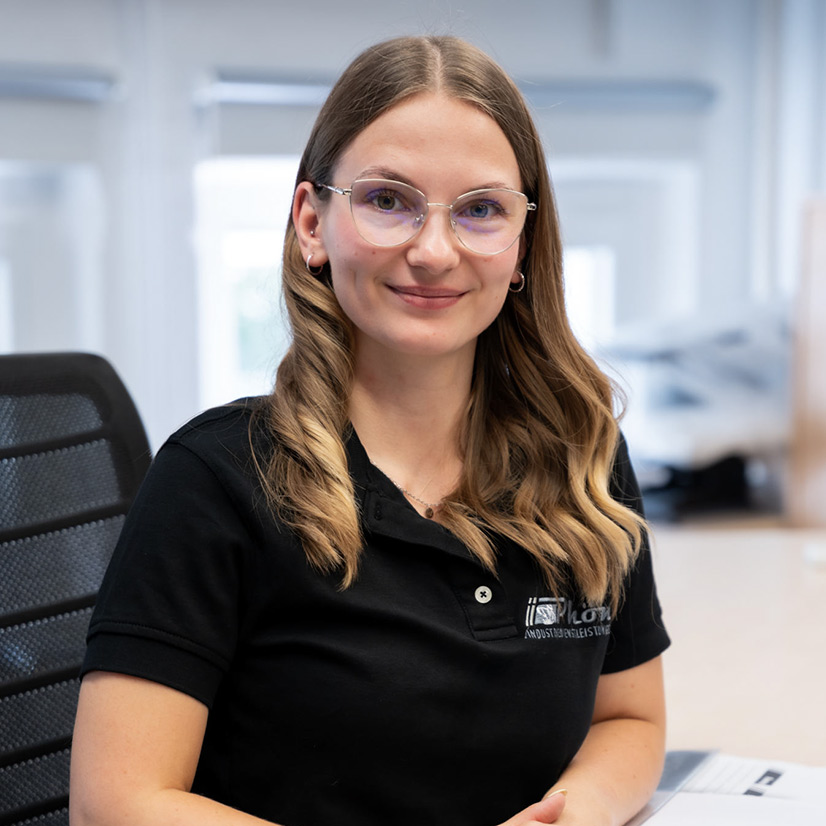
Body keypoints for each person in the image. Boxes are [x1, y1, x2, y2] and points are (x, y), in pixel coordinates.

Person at [70, 35, 669, 826]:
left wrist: (578, 810)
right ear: (312, 221)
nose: (433, 250)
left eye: (481, 209)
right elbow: (115, 804)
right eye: (389, 200)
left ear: (523, 240)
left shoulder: (580, 463)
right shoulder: (215, 480)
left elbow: (629, 720)